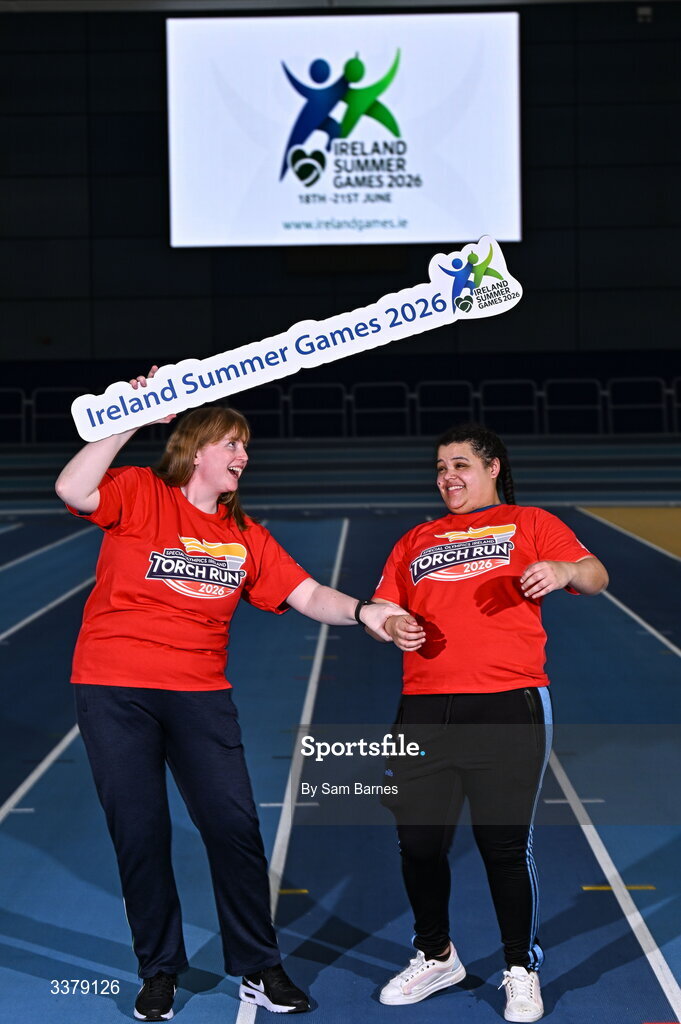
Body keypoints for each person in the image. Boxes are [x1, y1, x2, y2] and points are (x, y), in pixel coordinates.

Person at [55, 368, 405, 1022]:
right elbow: (72, 488)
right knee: (141, 832)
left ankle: (258, 966)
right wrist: (134, 416)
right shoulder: (140, 492)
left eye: (246, 446)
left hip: (200, 694)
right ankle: (159, 969)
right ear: (195, 451)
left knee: (234, 826)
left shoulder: (243, 535)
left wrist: (365, 612)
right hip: (114, 688)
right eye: (232, 444)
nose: (244, 455)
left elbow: (307, 594)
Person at [368, 423, 608, 1022]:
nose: (448, 476)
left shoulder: (529, 522)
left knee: (502, 843)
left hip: (507, 704)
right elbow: (384, 606)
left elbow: (595, 574)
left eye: (460, 465)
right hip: (424, 708)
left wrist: (563, 572)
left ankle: (520, 968)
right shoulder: (415, 539)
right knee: (418, 842)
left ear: (493, 467)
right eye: (441, 467)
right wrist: (391, 623)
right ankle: (436, 955)